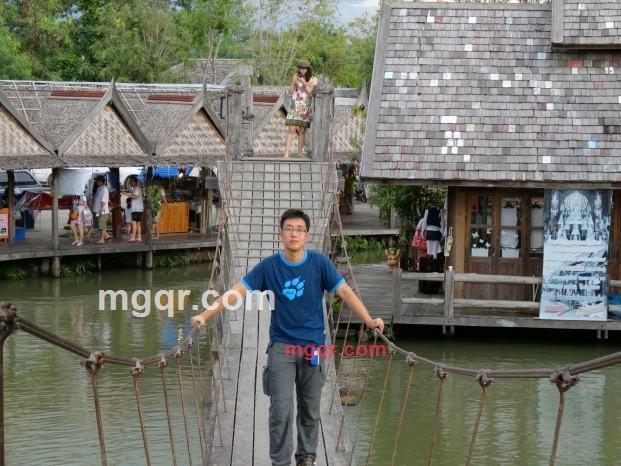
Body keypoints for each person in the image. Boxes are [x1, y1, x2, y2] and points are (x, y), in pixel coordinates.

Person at [191, 209, 384, 466]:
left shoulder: (319, 263)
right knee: (280, 410)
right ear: (280, 233)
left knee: (310, 408)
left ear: (307, 235)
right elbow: (236, 292)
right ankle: (280, 462)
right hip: (282, 346)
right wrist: (205, 315)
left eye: (299, 229)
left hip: (313, 348)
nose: (294, 234)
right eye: (289, 229)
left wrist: (369, 320)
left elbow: (345, 292)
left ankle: (306, 457)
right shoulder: (269, 266)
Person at [284, 59, 318, 158]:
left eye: (304, 68)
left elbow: (311, 94)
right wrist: (293, 83)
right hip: (295, 104)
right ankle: (286, 153)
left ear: (308, 69)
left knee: (302, 130)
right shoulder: (295, 76)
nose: (302, 70)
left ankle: (299, 153)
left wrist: (304, 83)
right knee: (291, 129)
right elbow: (290, 92)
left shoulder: (313, 79)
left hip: (305, 105)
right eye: (300, 68)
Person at [93, 175, 110, 244]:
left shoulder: (104, 189)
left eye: (97, 180)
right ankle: (106, 236)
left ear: (101, 181)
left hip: (102, 210)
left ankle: (102, 239)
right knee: (100, 225)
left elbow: (104, 200)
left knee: (102, 226)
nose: (96, 182)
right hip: (98, 210)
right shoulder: (99, 188)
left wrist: (101, 209)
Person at [128, 176, 143, 243]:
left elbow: (135, 196)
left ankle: (133, 237)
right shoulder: (136, 189)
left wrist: (127, 194)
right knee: (138, 223)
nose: (130, 183)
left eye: (131, 182)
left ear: (134, 182)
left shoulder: (136, 189)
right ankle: (139, 237)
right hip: (138, 208)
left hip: (136, 209)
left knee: (134, 223)